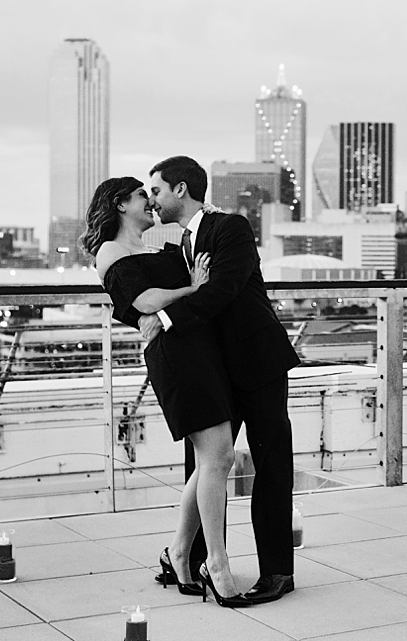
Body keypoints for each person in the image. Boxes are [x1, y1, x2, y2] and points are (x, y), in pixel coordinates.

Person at [82, 176, 256, 608]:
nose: (150, 200)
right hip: (176, 357)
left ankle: (180, 552)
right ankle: (215, 563)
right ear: (121, 205)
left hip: (200, 350)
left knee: (213, 458)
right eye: (143, 194)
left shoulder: (158, 249)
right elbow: (144, 302)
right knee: (219, 455)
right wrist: (192, 288)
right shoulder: (110, 251)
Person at [139, 155, 301, 604]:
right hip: (215, 370)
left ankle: (277, 574)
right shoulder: (179, 247)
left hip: (258, 361)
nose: (151, 200)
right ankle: (195, 559)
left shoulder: (229, 228)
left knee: (270, 468)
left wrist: (164, 319)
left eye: (155, 190)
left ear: (181, 190)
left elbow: (222, 290)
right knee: (207, 461)